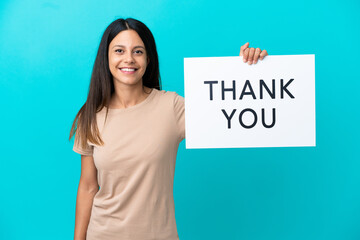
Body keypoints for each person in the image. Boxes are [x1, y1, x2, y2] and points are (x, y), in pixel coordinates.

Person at [69, 18, 268, 240]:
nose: (129, 59)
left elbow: (228, 115)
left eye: (138, 51)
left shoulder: (171, 107)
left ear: (148, 58)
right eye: (119, 50)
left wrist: (250, 70)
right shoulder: (91, 116)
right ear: (106, 57)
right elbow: (87, 187)